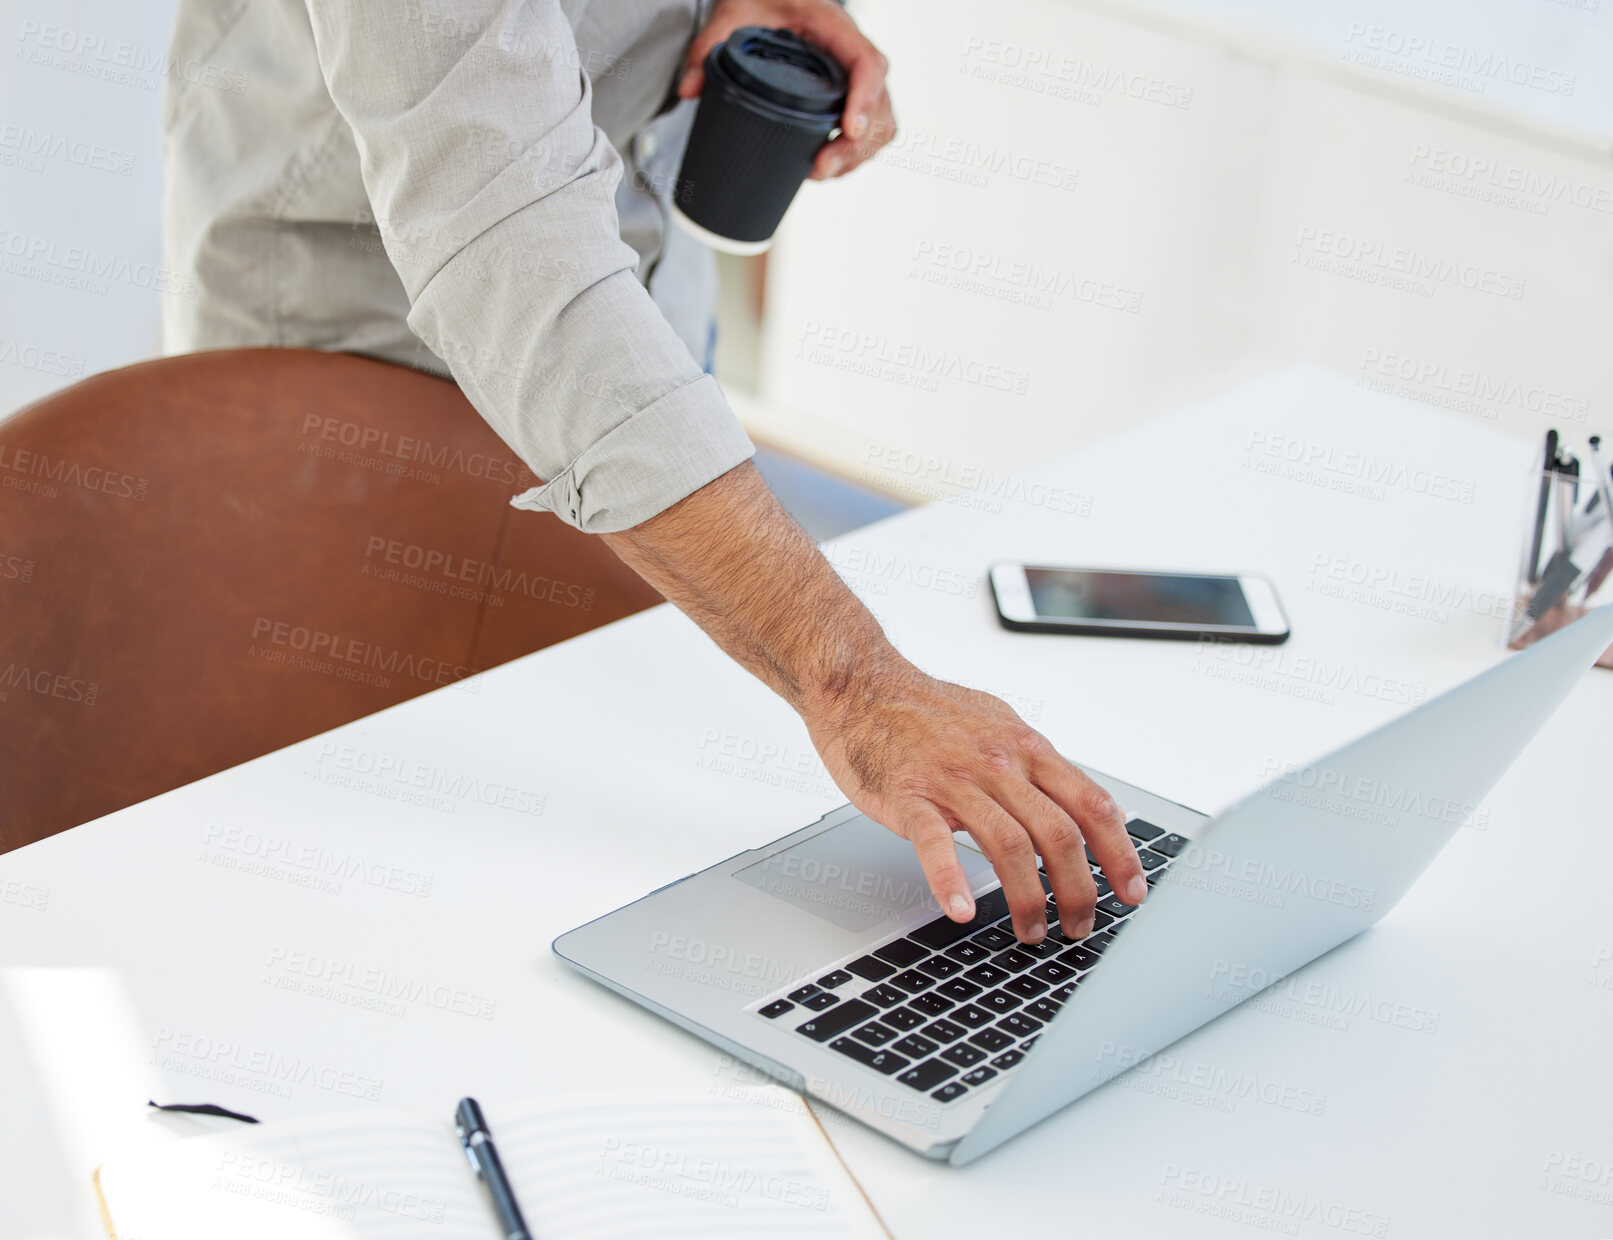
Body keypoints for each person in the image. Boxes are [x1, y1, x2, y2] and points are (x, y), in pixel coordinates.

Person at [161, 0, 1146, 945]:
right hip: (361, 337)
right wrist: (854, 682)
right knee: (342, 864)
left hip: (631, 278)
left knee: (595, 838)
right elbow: (506, 235)